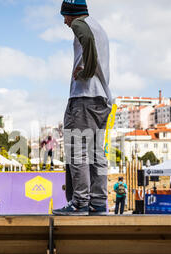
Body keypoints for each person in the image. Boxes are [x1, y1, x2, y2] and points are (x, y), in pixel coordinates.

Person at [53, 0, 112, 215]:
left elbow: (84, 36)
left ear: (73, 13)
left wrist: (86, 71)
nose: (65, 22)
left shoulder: (81, 24)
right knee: (96, 153)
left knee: (77, 151)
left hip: (84, 98)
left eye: (65, 16)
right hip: (101, 99)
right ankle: (98, 203)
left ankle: (79, 203)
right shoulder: (99, 26)